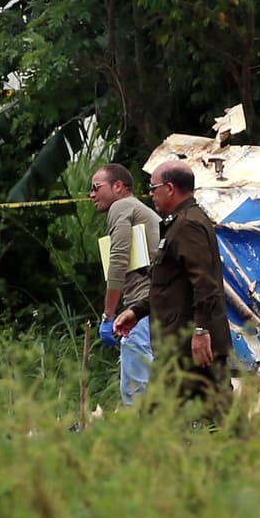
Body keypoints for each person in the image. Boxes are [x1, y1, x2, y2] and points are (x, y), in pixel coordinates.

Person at [113, 161, 231, 411]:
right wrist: (137, 311)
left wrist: (200, 331)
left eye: (153, 188)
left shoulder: (187, 225)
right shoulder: (178, 223)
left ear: (169, 188)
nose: (150, 194)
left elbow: (205, 284)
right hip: (182, 344)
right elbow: (169, 285)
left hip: (190, 345)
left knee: (161, 417)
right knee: (221, 417)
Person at [89, 162, 162, 406]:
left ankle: (141, 442)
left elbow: (118, 260)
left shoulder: (121, 206)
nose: (91, 194)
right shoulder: (140, 210)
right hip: (156, 303)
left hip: (141, 305)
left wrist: (108, 315)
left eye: (96, 187)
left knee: (135, 389)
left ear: (118, 186)